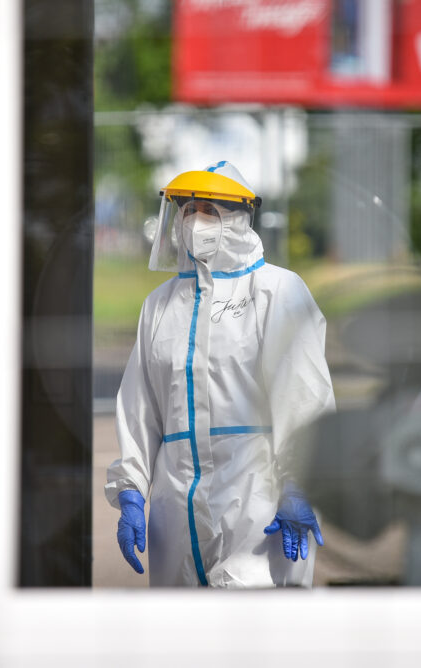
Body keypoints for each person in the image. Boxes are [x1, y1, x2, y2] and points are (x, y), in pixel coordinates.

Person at [105, 161, 335, 587]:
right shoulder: (160, 304)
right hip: (177, 512)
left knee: (256, 622)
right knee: (183, 627)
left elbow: (305, 397)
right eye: (187, 209)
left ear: (239, 217)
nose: (194, 221)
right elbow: (139, 407)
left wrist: (299, 483)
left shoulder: (277, 290)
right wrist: (131, 489)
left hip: (257, 502)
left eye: (208, 209)